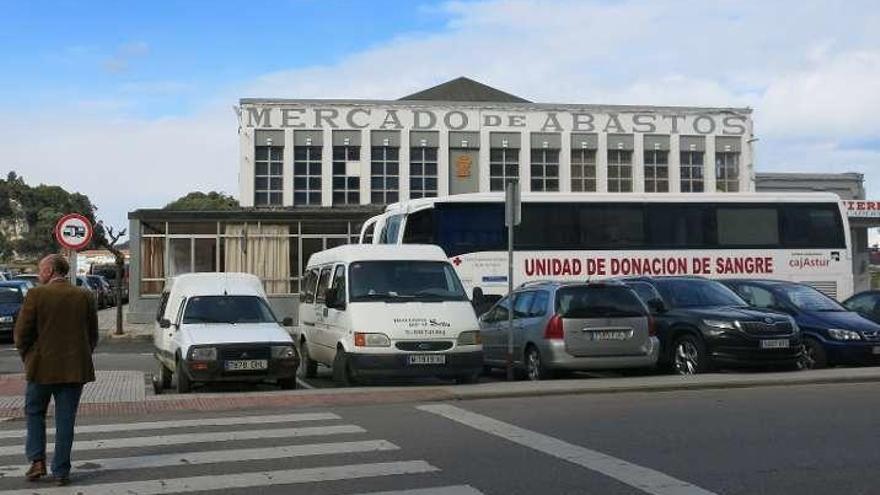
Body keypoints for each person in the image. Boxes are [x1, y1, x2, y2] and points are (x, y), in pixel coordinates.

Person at [13, 254, 98, 486]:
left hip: (41, 368)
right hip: (74, 370)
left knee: (34, 412)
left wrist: (28, 357)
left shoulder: (36, 295)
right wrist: (80, 356)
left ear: (50, 270)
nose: (39, 274)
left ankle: (37, 461)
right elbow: (92, 335)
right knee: (66, 419)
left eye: (41, 270)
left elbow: (21, 335)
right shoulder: (84, 295)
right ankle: (61, 471)